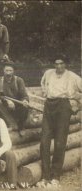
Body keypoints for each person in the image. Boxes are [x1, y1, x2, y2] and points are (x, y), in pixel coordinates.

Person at [37, 57, 82, 188]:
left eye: (61, 64)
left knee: (60, 142)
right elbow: (43, 84)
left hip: (63, 106)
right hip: (49, 106)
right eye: (56, 64)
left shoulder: (72, 76)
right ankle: (45, 177)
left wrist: (77, 104)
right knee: (44, 141)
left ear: (65, 64)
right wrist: (45, 93)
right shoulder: (48, 73)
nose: (59, 66)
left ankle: (55, 176)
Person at [2, 60, 29, 134]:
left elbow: (24, 95)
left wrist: (25, 100)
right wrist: (7, 101)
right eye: (6, 70)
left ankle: (21, 127)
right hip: (5, 105)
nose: (8, 72)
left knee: (25, 107)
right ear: (3, 70)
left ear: (13, 71)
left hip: (17, 105)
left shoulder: (19, 80)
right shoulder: (0, 80)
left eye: (10, 70)